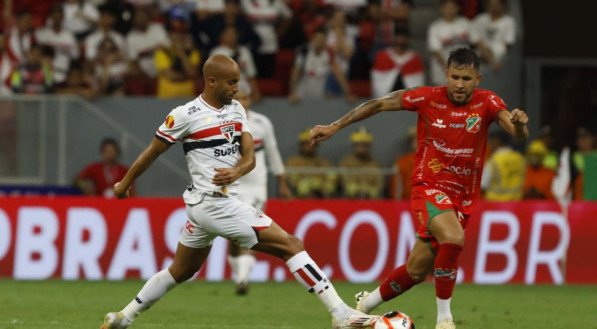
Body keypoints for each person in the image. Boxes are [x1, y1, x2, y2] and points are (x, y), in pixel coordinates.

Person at [100, 54, 376, 329]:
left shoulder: (236, 110)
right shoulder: (185, 114)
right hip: (212, 203)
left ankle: (124, 318)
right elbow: (153, 151)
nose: (236, 89)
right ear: (211, 81)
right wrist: (125, 183)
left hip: (209, 205)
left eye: (238, 82)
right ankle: (341, 314)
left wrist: (236, 171)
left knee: (182, 270)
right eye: (231, 83)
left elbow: (250, 157)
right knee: (291, 245)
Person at [309, 47, 529, 329]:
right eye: (455, 77)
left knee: (416, 270)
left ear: (478, 79)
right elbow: (377, 104)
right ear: (446, 75)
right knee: (454, 238)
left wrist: (521, 126)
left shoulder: (488, 102)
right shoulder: (427, 97)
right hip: (429, 186)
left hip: (463, 196)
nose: (460, 84)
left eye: (466, 78)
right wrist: (334, 126)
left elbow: (516, 131)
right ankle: (445, 320)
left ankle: (364, 305)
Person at [226, 84, 292, 295]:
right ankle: (240, 274)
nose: (243, 102)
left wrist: (281, 181)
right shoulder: (224, 122)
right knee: (232, 235)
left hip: (256, 186)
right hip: (231, 184)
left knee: (249, 230)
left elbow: (272, 152)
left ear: (251, 100)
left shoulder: (262, 123)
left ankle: (243, 278)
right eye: (239, 98)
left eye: (246, 98)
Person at [286, 129, 338, 198]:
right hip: (299, 198)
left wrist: (320, 186)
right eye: (306, 143)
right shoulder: (292, 162)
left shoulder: (324, 162)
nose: (309, 146)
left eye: (313, 143)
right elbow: (291, 180)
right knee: (304, 185)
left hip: (322, 197)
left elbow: (332, 179)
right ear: (301, 145)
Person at [338, 128, 384, 199]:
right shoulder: (345, 163)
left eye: (365, 145)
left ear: (369, 146)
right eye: (358, 144)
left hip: (371, 202)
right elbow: (345, 184)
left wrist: (370, 190)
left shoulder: (375, 165)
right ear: (353, 145)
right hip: (350, 201)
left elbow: (379, 185)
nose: (361, 147)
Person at [481, 130, 525, 201]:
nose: (490, 144)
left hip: (495, 203)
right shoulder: (519, 158)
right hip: (516, 203)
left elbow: (483, 185)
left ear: (497, 141)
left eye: (491, 141)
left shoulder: (493, 160)